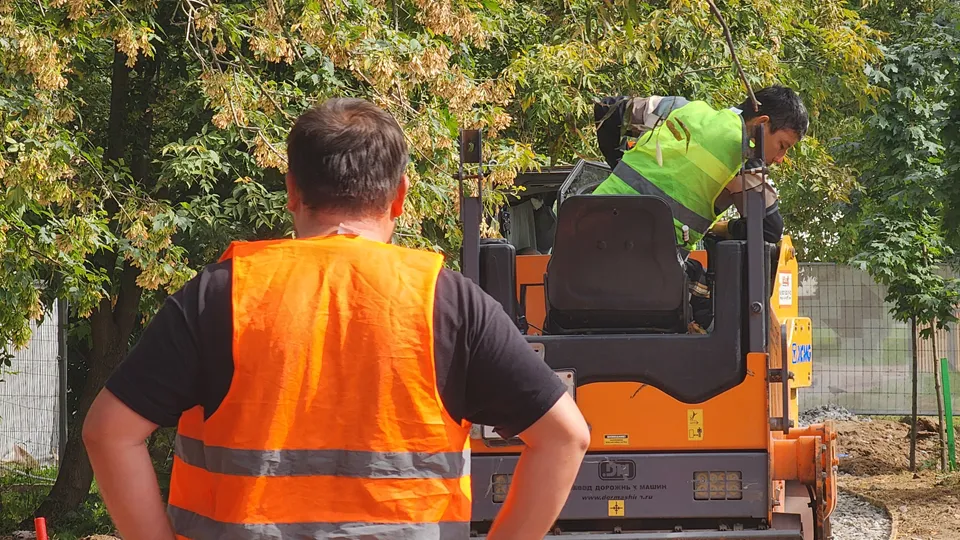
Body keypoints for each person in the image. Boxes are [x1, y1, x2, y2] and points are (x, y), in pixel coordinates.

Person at [82, 97, 590, 540]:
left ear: (292, 191)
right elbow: (566, 437)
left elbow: (109, 433)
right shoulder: (448, 302)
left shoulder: (222, 294)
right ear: (400, 196)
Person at [591, 85, 808, 329]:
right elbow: (769, 229)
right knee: (703, 299)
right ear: (762, 123)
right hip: (645, 274)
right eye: (782, 145)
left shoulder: (679, 109)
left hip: (584, 243)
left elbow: (607, 108)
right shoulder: (746, 159)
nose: (779, 159)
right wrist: (727, 229)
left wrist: (618, 165)